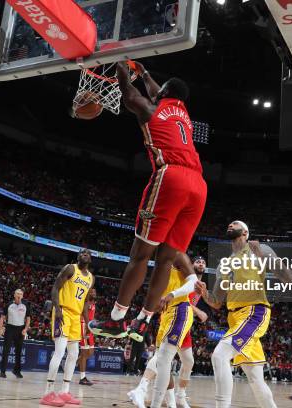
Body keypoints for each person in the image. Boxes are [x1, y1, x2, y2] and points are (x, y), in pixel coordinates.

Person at [89, 61, 207, 342]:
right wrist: (144, 74)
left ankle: (117, 320)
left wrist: (121, 70)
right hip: (199, 187)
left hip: (172, 178)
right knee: (166, 261)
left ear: (162, 94)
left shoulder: (152, 109)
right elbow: (158, 92)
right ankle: (144, 321)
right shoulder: (183, 114)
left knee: (141, 254)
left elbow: (129, 95)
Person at [196, 221, 292, 408]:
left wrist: (269, 259)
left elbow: (288, 278)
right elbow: (216, 302)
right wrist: (204, 293)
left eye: (235, 224)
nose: (230, 224)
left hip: (254, 312)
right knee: (255, 378)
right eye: (229, 224)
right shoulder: (224, 264)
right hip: (235, 318)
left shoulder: (260, 249)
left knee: (219, 356)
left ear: (246, 233)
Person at [128, 256, 208, 408]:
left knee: (185, 361)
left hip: (181, 320)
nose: (201, 264)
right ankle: (156, 394)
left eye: (203, 262)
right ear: (190, 265)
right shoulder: (185, 274)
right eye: (198, 261)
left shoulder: (200, 285)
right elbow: (182, 299)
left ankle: (177, 396)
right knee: (164, 358)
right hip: (174, 315)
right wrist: (199, 312)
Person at [41, 249, 94, 407]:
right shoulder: (70, 268)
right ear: (78, 257)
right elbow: (55, 289)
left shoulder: (91, 278)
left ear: (90, 259)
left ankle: (64, 391)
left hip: (76, 317)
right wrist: (57, 309)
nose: (85, 255)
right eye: (82, 253)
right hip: (63, 311)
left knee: (74, 353)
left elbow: (85, 302)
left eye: (88, 253)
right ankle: (48, 392)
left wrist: (88, 323)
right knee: (60, 351)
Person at [0, 289, 30, 378]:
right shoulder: (9, 304)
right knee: (6, 350)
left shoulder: (25, 305)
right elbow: (2, 317)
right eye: (17, 293)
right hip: (10, 328)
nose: (19, 295)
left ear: (23, 296)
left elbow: (28, 318)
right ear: (14, 295)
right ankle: (2, 371)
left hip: (20, 329)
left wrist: (26, 329)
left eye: (21, 294)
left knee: (19, 351)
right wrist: (1, 328)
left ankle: (17, 371)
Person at [78, 288, 96, 386]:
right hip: (84, 326)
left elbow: (91, 315)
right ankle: (82, 378)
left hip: (90, 327)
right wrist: (87, 327)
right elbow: (84, 314)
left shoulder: (93, 302)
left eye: (95, 292)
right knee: (84, 353)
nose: (94, 293)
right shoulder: (86, 301)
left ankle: (76, 362)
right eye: (92, 292)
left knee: (91, 352)